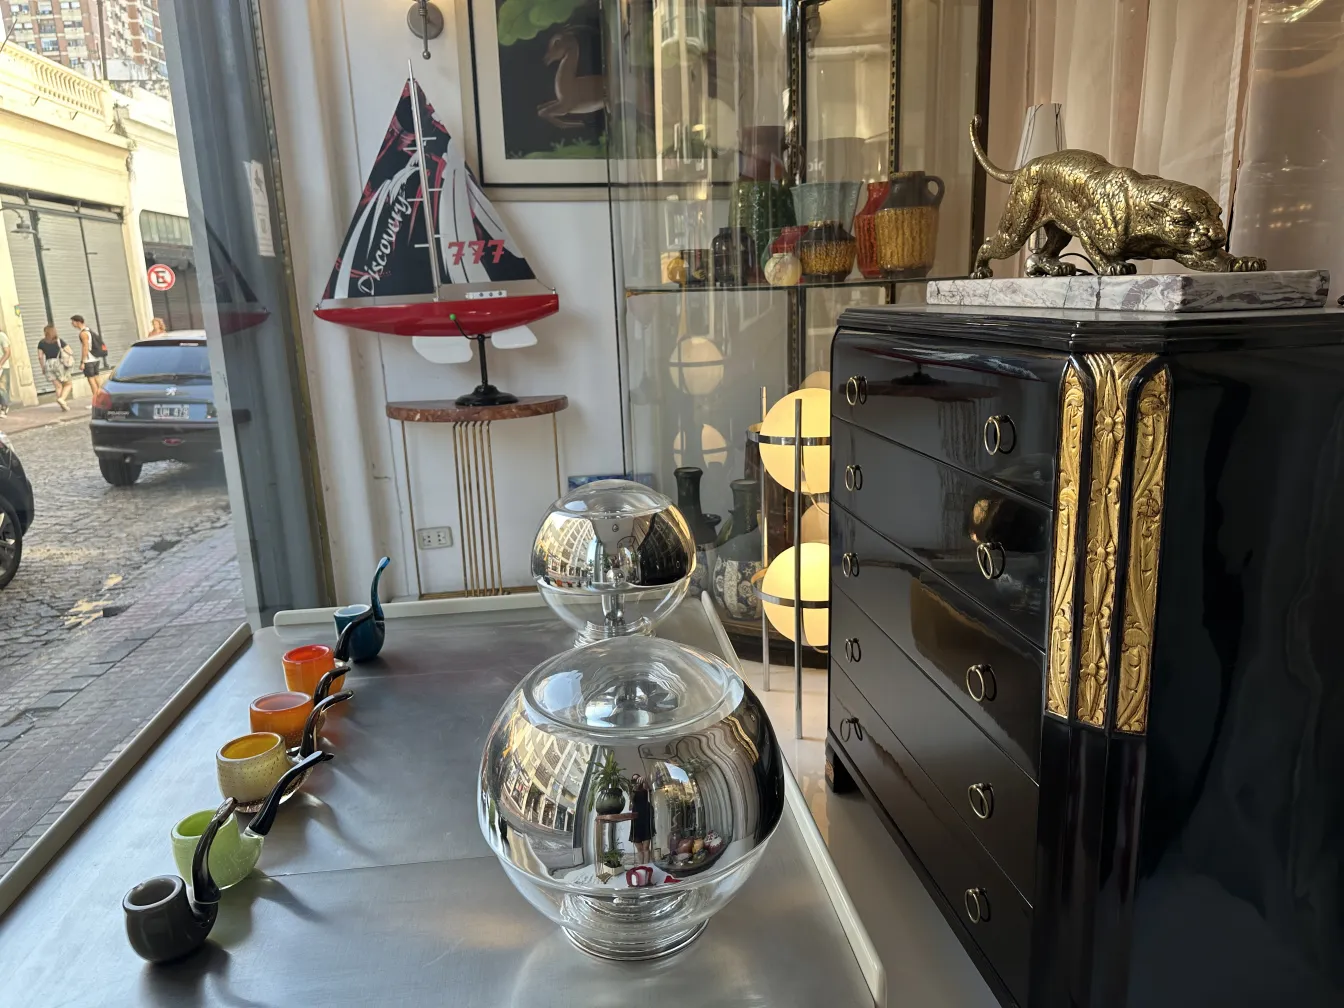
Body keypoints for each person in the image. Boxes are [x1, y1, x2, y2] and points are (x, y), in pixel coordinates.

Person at [37, 325, 73, 411]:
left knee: (58, 386)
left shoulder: (41, 343)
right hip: (59, 363)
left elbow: (40, 357)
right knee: (68, 384)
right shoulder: (59, 341)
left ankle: (63, 406)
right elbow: (70, 351)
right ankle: (62, 399)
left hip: (48, 364)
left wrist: (43, 367)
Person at [71, 314, 107, 400]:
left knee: (91, 380)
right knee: (97, 378)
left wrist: (82, 362)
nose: (72, 324)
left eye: (73, 322)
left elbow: (85, 347)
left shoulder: (83, 333)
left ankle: (96, 401)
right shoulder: (89, 330)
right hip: (96, 358)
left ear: (78, 322)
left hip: (89, 360)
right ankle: (104, 397)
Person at [628, 773, 654, 865]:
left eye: (637, 779)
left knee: (646, 847)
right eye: (634, 779)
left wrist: (645, 780)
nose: (636, 781)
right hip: (636, 819)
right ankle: (641, 866)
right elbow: (631, 801)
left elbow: (649, 788)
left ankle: (647, 866)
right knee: (639, 848)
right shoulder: (632, 790)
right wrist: (634, 788)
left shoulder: (644, 787)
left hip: (646, 817)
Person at [0, 326, 11, 417]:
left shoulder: (2, 336)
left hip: (3, 367)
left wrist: (1, 363)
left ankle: (4, 407)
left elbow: (7, 352)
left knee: (2, 388)